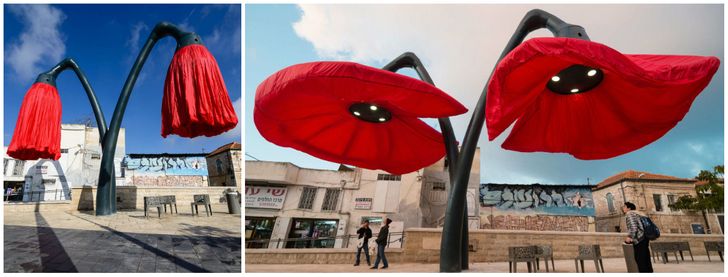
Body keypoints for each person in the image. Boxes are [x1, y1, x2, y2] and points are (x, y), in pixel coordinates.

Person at [622, 202, 653, 273]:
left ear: (629, 208)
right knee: (646, 259)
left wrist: (629, 237)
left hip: (639, 239)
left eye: (624, 206)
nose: (623, 208)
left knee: (640, 259)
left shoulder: (630, 214)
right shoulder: (638, 213)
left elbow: (633, 228)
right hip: (645, 238)